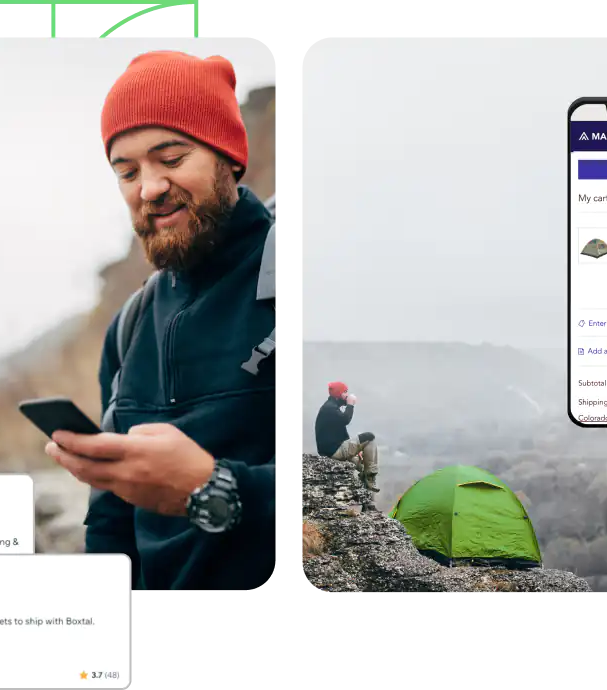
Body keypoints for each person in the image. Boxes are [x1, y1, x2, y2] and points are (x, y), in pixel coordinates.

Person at [43, 51, 277, 592]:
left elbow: (353, 499)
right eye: (126, 171)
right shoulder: (128, 329)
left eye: (170, 158)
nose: (148, 188)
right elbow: (110, 526)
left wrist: (212, 488)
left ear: (229, 157)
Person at [314, 381, 380, 493]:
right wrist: (350, 405)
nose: (347, 395)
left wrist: (356, 450)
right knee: (370, 438)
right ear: (338, 394)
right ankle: (370, 478)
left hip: (331, 450)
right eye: (345, 392)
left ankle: (367, 497)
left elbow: (340, 429)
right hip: (334, 451)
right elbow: (346, 420)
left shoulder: (330, 407)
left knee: (363, 465)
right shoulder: (330, 409)